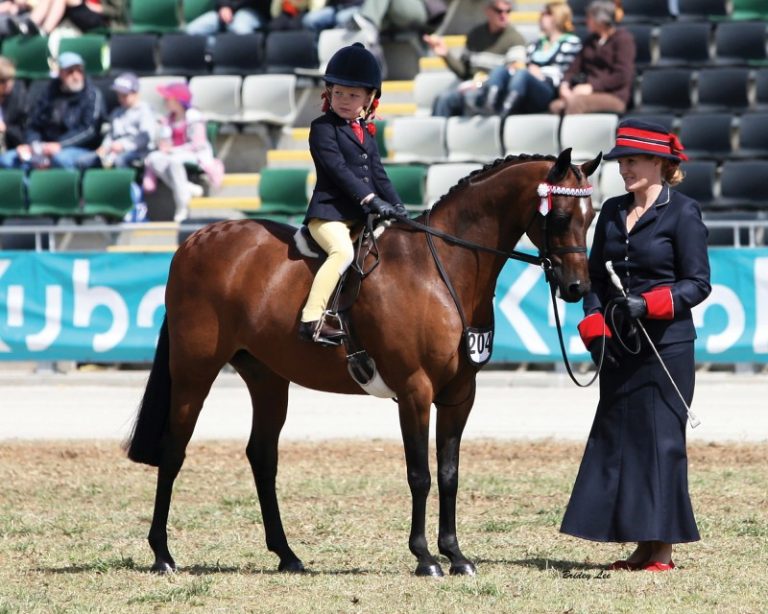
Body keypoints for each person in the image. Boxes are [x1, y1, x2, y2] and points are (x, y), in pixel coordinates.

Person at [561, 119, 711, 572]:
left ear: (660, 164)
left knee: (662, 443)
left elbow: (698, 284)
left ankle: (661, 551)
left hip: (667, 346)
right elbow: (591, 279)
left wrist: (649, 303)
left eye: (632, 160)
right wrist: (594, 324)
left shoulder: (683, 212)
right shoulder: (609, 211)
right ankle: (640, 546)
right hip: (619, 347)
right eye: (622, 160)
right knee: (621, 441)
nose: (623, 168)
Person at [299, 42, 405, 346]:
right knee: (343, 253)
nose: (344, 100)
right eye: (338, 93)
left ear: (369, 98)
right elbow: (338, 170)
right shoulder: (322, 128)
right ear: (328, 93)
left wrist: (398, 208)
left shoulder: (365, 132)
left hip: (360, 215)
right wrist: (371, 200)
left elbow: (378, 174)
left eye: (353, 95)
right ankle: (312, 319)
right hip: (328, 214)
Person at [0, 52, 104, 170]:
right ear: (60, 73)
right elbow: (33, 125)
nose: (76, 76)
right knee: (6, 160)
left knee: (59, 159)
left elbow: (89, 130)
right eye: (70, 72)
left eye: (79, 71)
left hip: (77, 149)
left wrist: (60, 145)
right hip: (44, 148)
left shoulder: (92, 95)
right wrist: (34, 145)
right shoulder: (48, 94)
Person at [476, 2, 582, 117]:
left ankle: (504, 113)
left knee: (523, 75)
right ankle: (489, 106)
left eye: (547, 14)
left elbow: (567, 72)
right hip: (526, 85)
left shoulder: (571, 43)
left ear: (558, 17)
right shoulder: (536, 44)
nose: (541, 16)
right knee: (500, 71)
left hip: (548, 90)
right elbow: (524, 64)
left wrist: (540, 73)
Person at [425, 0, 526, 117]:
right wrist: (445, 54)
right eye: (499, 11)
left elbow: (515, 72)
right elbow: (464, 72)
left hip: (493, 92)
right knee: (442, 99)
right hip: (470, 86)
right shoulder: (475, 35)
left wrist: (483, 83)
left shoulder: (515, 39)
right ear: (487, 11)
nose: (504, 15)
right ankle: (437, 134)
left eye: (508, 11)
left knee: (460, 98)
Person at [142, 83, 223, 222]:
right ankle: (187, 188)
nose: (165, 101)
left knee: (174, 162)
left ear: (178, 101)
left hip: (196, 154)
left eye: (168, 98)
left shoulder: (193, 116)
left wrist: (172, 150)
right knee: (153, 158)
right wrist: (164, 144)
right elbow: (165, 142)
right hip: (175, 153)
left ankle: (182, 206)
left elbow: (197, 144)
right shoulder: (168, 119)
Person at [549, 0, 635, 115]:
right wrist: (565, 85)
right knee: (556, 106)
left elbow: (622, 75)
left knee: (576, 103)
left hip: (614, 95)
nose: (586, 21)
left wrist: (592, 87)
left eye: (589, 18)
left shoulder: (623, 40)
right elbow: (573, 68)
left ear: (601, 20)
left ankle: (573, 133)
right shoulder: (590, 41)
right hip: (587, 93)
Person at [77, 72, 155, 170]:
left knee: (119, 160)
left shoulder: (144, 111)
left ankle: (128, 185)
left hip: (136, 151)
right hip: (111, 150)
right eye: (119, 95)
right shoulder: (117, 112)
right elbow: (110, 135)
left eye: (125, 95)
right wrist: (104, 147)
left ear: (135, 93)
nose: (121, 98)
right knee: (83, 161)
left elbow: (144, 138)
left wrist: (123, 146)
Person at [185, 0, 269, 36]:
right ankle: (214, 55)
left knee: (240, 29)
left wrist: (230, 7)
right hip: (223, 11)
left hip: (251, 12)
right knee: (192, 30)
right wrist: (224, 6)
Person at [0, 56, 27, 155]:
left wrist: (6, 128)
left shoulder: (19, 99)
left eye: (11, 78)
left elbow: (23, 134)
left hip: (11, 148)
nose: (8, 84)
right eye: (3, 80)